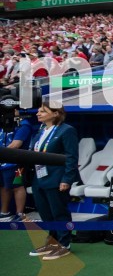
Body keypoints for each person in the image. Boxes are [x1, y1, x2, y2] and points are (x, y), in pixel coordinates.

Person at [27, 100, 80, 260]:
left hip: (57, 178)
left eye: (43, 111)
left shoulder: (67, 130)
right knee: (45, 213)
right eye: (38, 111)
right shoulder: (41, 129)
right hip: (39, 179)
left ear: (56, 113)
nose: (38, 113)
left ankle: (64, 244)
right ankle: (52, 241)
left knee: (59, 212)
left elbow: (72, 157)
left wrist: (67, 179)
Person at [0, 110, 37, 221]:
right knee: (3, 186)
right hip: (2, 163)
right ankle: (5, 213)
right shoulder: (4, 123)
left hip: (16, 163)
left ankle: (20, 214)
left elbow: (16, 144)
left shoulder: (23, 125)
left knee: (18, 186)